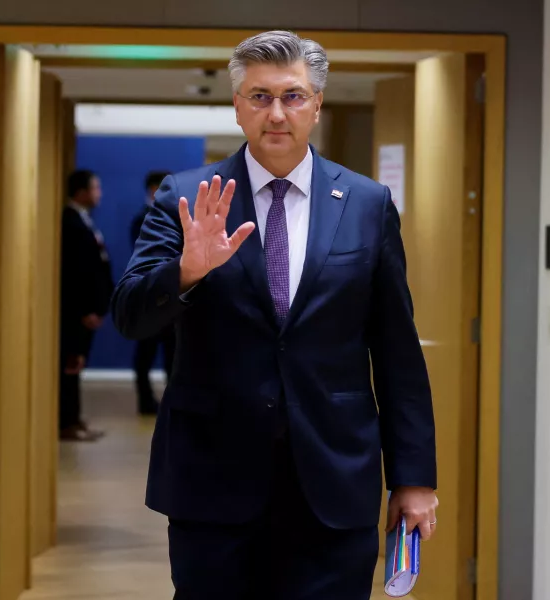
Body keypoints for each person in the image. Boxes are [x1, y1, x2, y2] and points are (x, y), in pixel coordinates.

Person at [111, 30, 438, 600]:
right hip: (212, 482)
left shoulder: (365, 204)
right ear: (238, 107)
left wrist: (413, 477)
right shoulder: (186, 195)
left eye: (293, 96)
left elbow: (395, 350)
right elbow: (130, 317)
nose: (277, 113)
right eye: (260, 97)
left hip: (335, 481)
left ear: (316, 105)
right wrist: (186, 272)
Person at [60, 169, 114, 441]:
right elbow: (74, 272)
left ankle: (74, 418)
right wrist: (85, 310)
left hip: (90, 309)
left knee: (77, 363)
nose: (98, 194)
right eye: (95, 188)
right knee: (70, 363)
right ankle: (66, 422)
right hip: (77, 313)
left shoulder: (84, 220)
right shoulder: (69, 222)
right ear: (80, 191)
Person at [129, 171, 176, 415]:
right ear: (154, 189)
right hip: (148, 295)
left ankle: (173, 399)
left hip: (172, 296)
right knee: (145, 353)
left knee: (174, 352)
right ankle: (145, 400)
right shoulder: (142, 219)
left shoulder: (174, 217)